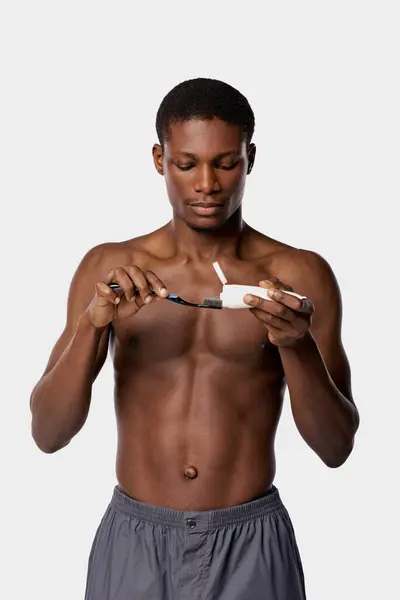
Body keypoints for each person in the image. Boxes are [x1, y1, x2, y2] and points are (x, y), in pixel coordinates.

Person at [30, 77, 360, 600]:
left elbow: (336, 447)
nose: (206, 183)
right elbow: (47, 434)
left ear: (251, 157)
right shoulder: (109, 267)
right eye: (187, 164)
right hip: (135, 541)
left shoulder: (301, 274)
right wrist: (95, 324)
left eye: (226, 162)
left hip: (250, 542)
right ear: (160, 159)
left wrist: (296, 345)